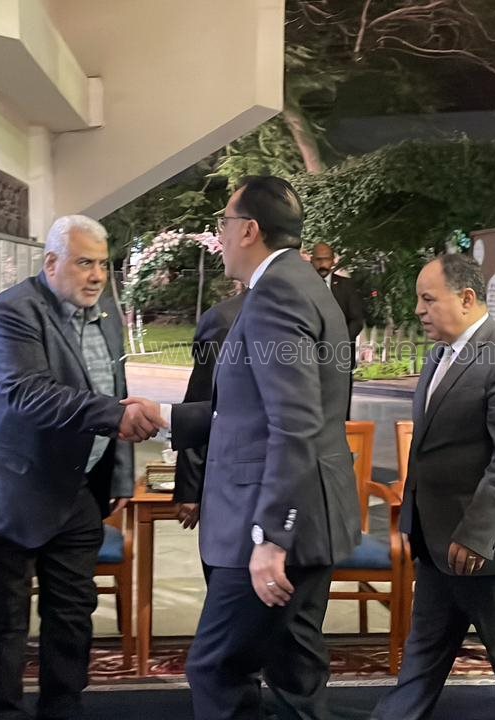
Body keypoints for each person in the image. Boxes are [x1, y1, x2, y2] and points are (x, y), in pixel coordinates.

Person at [124, 176, 361, 720]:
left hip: (272, 523)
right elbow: (250, 411)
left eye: (225, 224)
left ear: (250, 230)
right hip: (306, 517)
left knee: (217, 670)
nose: (221, 237)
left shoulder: (277, 293)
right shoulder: (302, 284)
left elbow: (295, 424)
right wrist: (166, 417)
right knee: (294, 671)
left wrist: (272, 537)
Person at [0, 215, 158, 720]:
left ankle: (63, 709)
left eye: (102, 264)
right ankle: (2, 713)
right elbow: (30, 393)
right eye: (84, 263)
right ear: (52, 263)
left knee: (73, 613)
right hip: (0, 490)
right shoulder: (14, 311)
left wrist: (120, 474)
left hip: (75, 489)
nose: (97, 276)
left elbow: (115, 388)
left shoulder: (106, 313)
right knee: (1, 622)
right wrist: (116, 416)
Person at [371, 254, 495, 720]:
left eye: (428, 299)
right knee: (420, 662)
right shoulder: (438, 356)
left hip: (491, 547)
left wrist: (477, 534)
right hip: (438, 543)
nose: (418, 310)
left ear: (466, 298)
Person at [173, 291, 245, 532]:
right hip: (239, 490)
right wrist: (190, 487)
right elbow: (204, 402)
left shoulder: (225, 319)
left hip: (242, 491)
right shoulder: (226, 320)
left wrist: (190, 488)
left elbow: (204, 404)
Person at [310, 242, 363, 417]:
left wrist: (338, 342)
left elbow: (357, 320)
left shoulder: (347, 287)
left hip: (340, 357)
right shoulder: (303, 287)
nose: (322, 264)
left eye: (326, 260)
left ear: (333, 261)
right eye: (318, 260)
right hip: (310, 359)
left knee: (340, 410)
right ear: (312, 260)